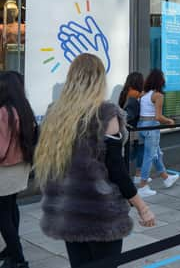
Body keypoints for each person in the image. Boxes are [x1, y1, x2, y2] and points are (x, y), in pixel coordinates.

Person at [35, 54, 156, 268]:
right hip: (101, 214)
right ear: (99, 80)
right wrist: (142, 207)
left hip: (69, 211)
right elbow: (116, 170)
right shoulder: (105, 114)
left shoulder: (56, 113)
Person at [0, 72, 36, 268]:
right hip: (21, 167)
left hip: (4, 170)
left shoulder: (4, 112)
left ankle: (18, 258)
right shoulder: (24, 109)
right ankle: (11, 249)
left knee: (3, 215)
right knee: (11, 207)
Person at [137, 69, 179, 197]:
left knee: (156, 153)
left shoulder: (143, 94)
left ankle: (166, 178)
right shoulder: (158, 96)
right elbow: (158, 117)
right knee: (149, 156)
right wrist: (170, 121)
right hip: (151, 127)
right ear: (161, 81)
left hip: (142, 126)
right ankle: (143, 186)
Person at [118, 72, 145, 183]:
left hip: (125, 129)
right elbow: (129, 114)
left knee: (132, 152)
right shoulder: (134, 95)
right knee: (137, 150)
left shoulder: (125, 92)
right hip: (132, 128)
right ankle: (136, 176)